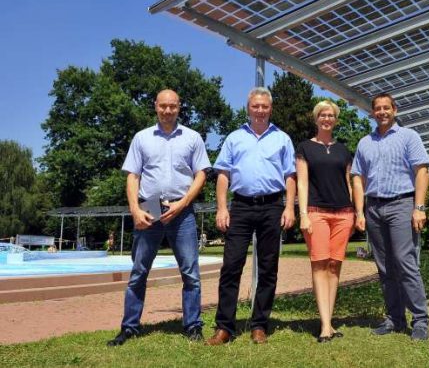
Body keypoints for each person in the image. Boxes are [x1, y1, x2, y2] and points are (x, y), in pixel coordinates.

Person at [107, 89, 211, 347]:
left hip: (182, 209)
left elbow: (201, 174)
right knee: (138, 271)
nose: (167, 110)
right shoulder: (142, 138)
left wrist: (184, 202)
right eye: (163, 106)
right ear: (155, 106)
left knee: (190, 273)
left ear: (179, 107)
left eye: (172, 106)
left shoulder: (192, 138)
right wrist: (134, 209)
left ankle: (193, 326)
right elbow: (133, 175)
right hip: (149, 208)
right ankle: (129, 327)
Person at [206, 87, 296, 346]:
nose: (260, 110)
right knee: (231, 266)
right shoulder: (234, 138)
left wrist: (290, 208)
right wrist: (222, 208)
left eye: (264, 106)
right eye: (255, 106)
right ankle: (225, 327)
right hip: (241, 207)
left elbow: (290, 176)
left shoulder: (282, 139)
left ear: (270, 109)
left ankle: (259, 325)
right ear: (248, 108)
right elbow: (222, 175)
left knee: (268, 268)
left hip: (272, 206)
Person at [351, 92, 429, 341]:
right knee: (384, 267)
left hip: (401, 204)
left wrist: (419, 207)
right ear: (372, 113)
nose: (382, 112)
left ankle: (420, 320)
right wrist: (359, 211)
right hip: (373, 208)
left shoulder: (409, 137)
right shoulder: (365, 142)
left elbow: (422, 171)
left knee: (405, 263)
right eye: (378, 108)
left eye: (387, 107)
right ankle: (395, 319)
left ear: (394, 110)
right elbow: (357, 177)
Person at [296, 100, 355, 342]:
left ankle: (329, 322)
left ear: (336, 120)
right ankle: (325, 326)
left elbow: (349, 183)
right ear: (316, 118)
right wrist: (303, 215)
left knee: (335, 266)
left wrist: (354, 213)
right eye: (323, 115)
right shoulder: (305, 148)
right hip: (316, 212)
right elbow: (301, 182)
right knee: (319, 265)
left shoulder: (343, 149)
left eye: (331, 115)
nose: (327, 119)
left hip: (343, 214)